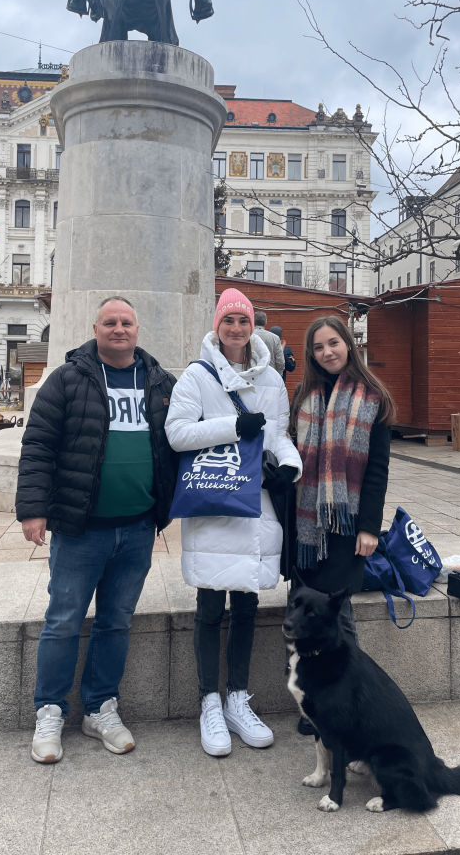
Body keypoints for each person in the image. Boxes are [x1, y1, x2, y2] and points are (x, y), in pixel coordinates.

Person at [16, 297, 177, 765]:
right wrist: (33, 510)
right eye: (110, 322)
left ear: (137, 329)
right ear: (95, 329)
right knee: (64, 619)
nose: (119, 329)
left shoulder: (160, 382)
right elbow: (38, 445)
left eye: (126, 322)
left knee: (116, 620)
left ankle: (100, 707)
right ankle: (49, 711)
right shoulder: (68, 379)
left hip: (138, 528)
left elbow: (179, 442)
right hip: (80, 529)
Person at [165, 288, 302, 757]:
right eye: (229, 321)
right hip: (216, 497)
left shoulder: (272, 379)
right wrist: (232, 428)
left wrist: (290, 466)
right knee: (209, 606)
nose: (237, 329)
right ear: (217, 326)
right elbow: (177, 433)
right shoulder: (197, 375)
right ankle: (209, 701)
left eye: (243, 321)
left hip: (256, 502)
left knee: (246, 606)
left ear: (253, 327)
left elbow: (279, 435)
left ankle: (237, 699)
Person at [288, 315, 394, 734]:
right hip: (305, 529)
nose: (327, 352)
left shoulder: (373, 397)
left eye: (333, 343)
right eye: (318, 347)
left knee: (338, 618)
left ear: (349, 344)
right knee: (301, 615)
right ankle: (312, 704)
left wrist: (369, 527)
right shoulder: (304, 395)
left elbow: (377, 470)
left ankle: (347, 702)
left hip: (345, 524)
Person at [253, 310, 285, 377]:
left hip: (251, 376)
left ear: (253, 322)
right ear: (265, 323)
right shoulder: (275, 338)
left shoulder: (247, 337)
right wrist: (278, 377)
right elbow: (280, 362)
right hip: (270, 376)